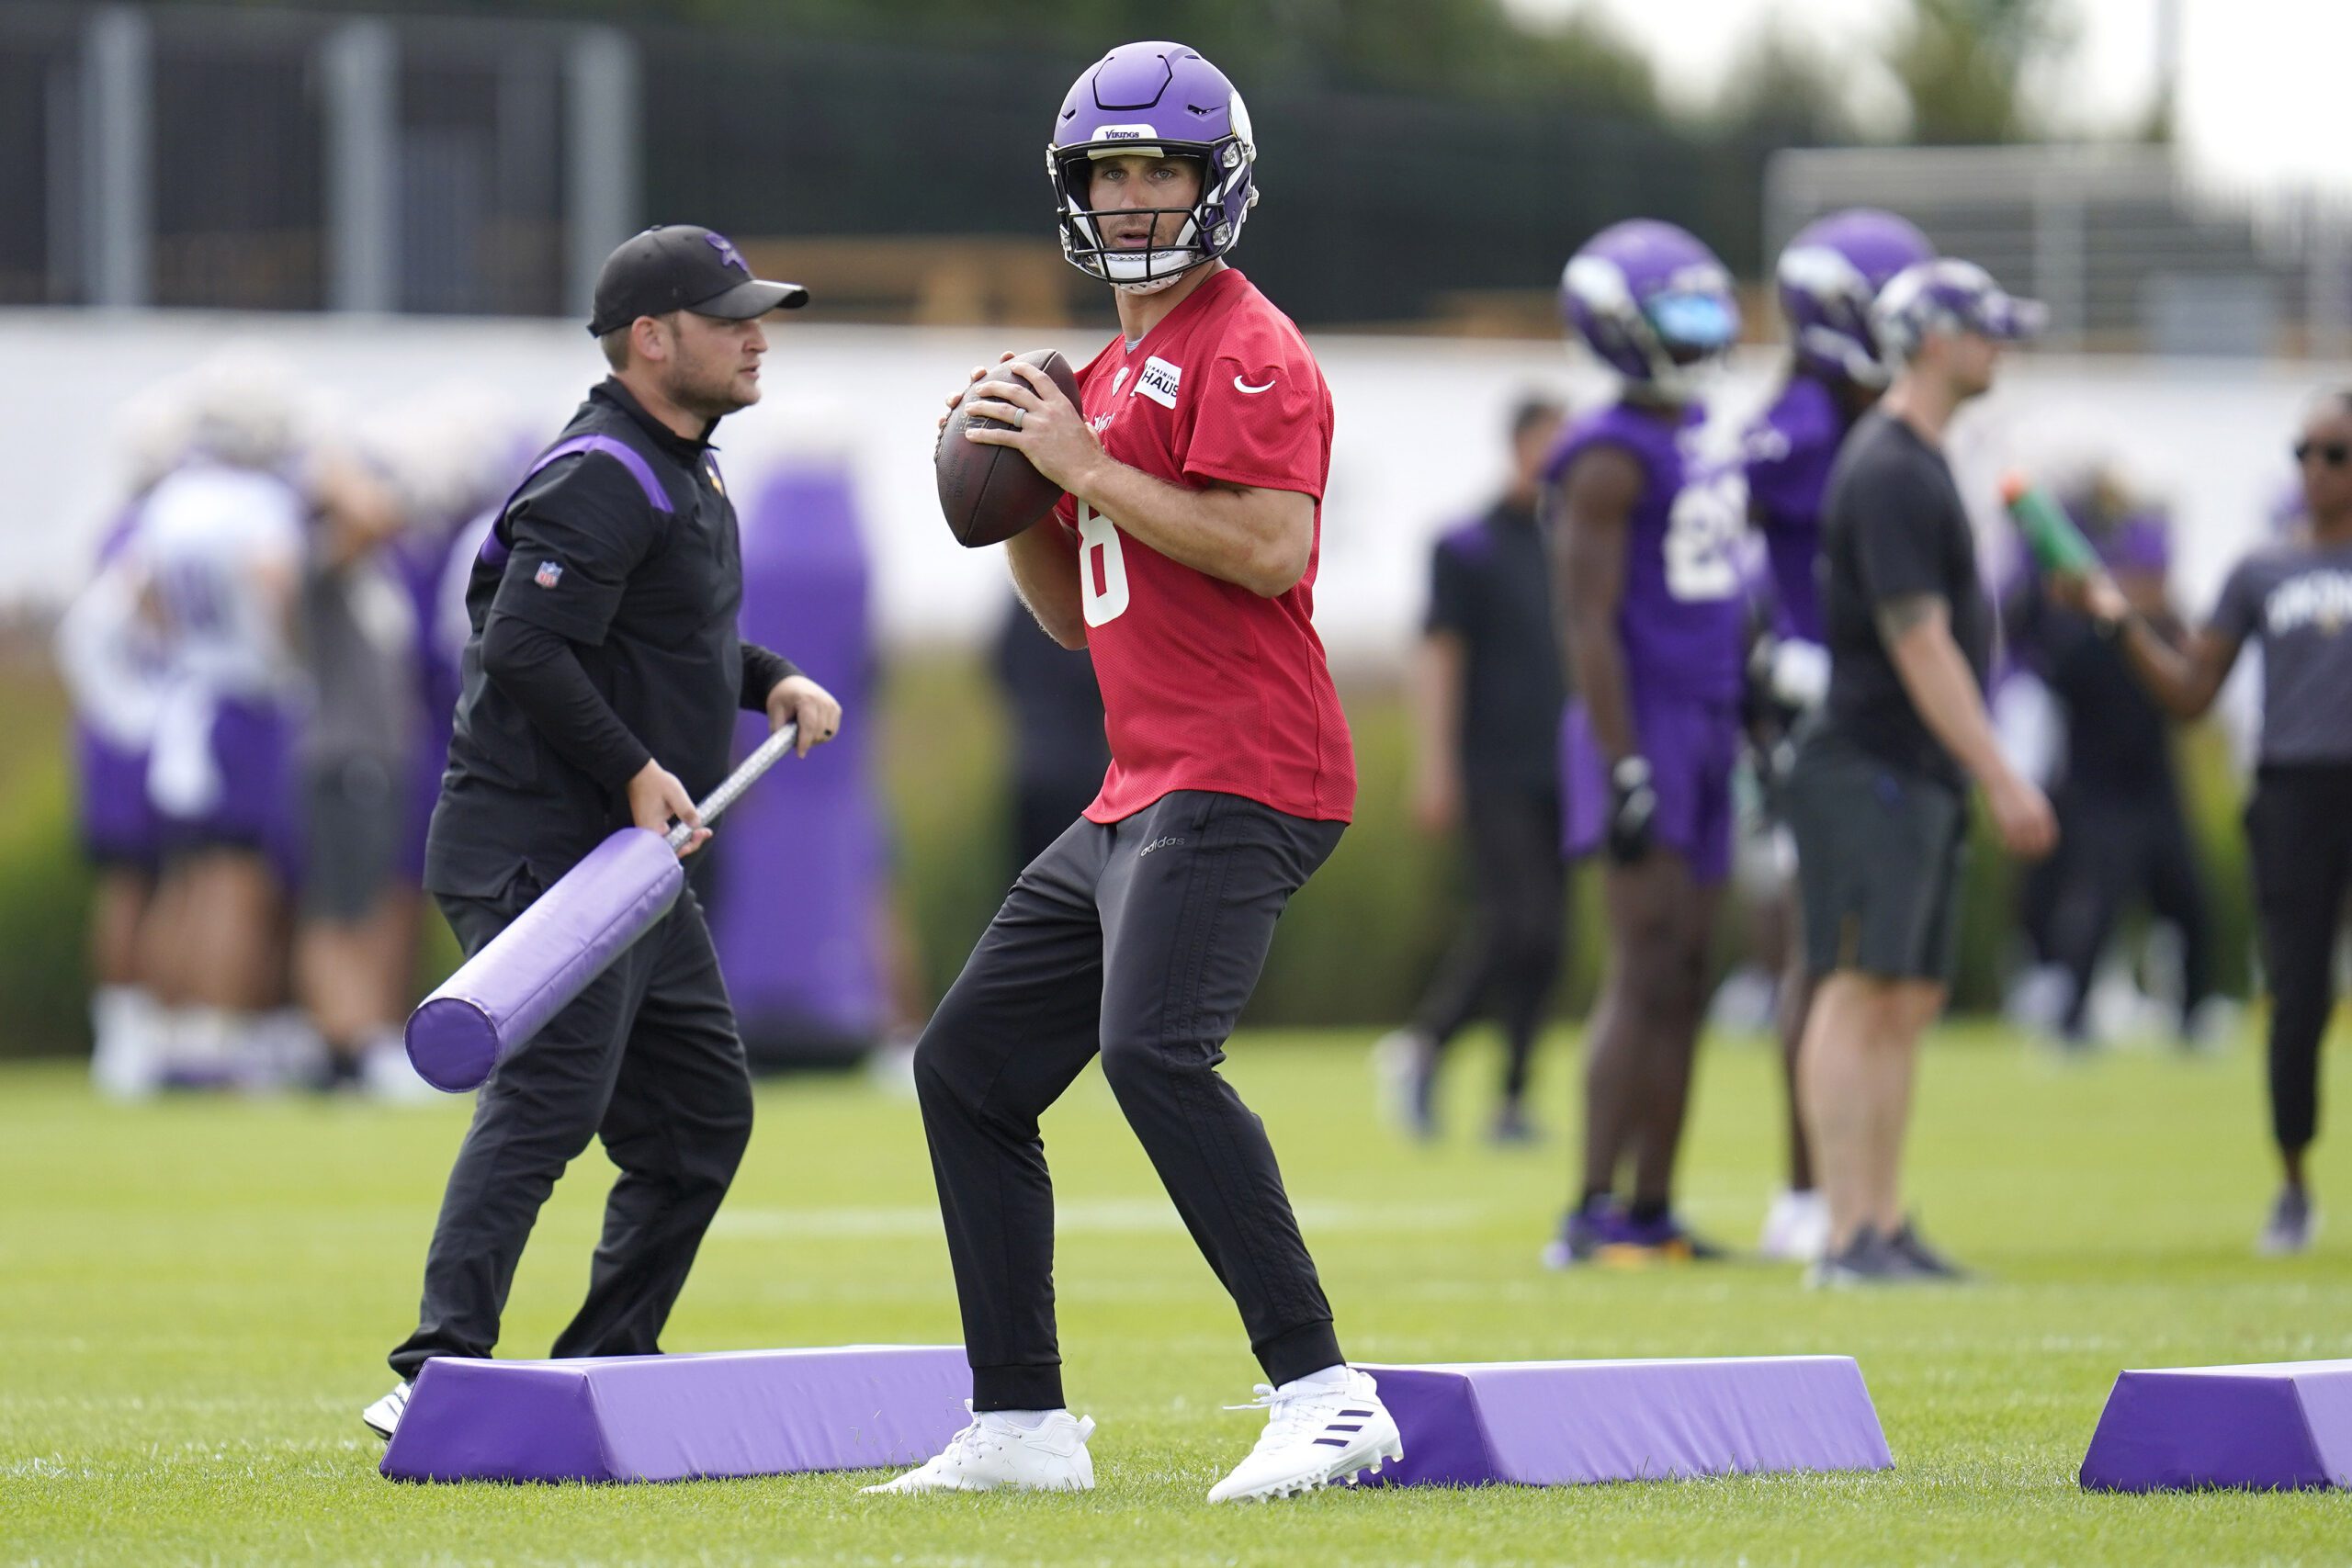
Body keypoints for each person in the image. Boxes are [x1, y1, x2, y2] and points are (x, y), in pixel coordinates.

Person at [868, 42, 1398, 1504]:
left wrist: (1084, 462)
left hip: (1250, 766)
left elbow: (1273, 549)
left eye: (1159, 165)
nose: (1134, 193)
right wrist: (1016, 488)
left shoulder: (1249, 344)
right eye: (1110, 168)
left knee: (1157, 1050)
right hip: (1141, 777)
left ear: (1214, 182)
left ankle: (1325, 1391)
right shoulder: (1095, 371)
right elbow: (1075, 611)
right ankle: (1024, 1422)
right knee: (967, 1070)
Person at [362, 225, 842, 1438]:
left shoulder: (688, 468)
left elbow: (669, 640)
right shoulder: (600, 471)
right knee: (551, 1096)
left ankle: (610, 1356)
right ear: (650, 338)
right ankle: (434, 1369)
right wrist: (636, 767)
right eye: (731, 316)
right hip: (536, 844)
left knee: (699, 1118)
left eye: (759, 314)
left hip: (622, 860)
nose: (755, 336)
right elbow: (521, 644)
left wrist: (770, 676)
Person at [1785, 259, 2056, 1286]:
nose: (1999, 348)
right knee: (1857, 990)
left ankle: (1883, 1223)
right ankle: (1845, 1234)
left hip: (1915, 771)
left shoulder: (1930, 456)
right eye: (1987, 330)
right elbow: (1918, 641)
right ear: (1937, 341)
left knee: (1905, 996)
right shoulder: (1892, 465)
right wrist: (2001, 772)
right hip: (1869, 766)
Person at [2064, 390, 2352, 1254]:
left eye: (2334, 454)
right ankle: (2295, 1186)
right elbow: (2192, 694)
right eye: (2303, 451)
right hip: (2295, 795)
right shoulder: (2261, 570)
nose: (2314, 469)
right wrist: (2124, 627)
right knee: (2297, 996)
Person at [1542, 220, 1747, 1269]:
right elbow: (1587, 623)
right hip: (1641, 724)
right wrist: (1624, 761)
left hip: (1708, 722)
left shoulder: (1697, 428)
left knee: (1690, 964)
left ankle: (1653, 1208)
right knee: (1640, 958)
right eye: (1682, 315)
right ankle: (1587, 1208)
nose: (1704, 334)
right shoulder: (1606, 456)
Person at [1743, 210, 1935, 1261]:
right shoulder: (1803, 429)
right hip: (1815, 706)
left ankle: (1852, 1193)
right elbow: (1732, 555)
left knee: (1866, 957)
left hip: (1862, 705)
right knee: (1824, 957)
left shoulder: (1864, 423)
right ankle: (1810, 1190)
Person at [1375, 395, 1568, 1144]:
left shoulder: (1568, 542)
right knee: (1517, 920)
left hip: (1560, 765)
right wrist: (1435, 766)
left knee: (1548, 937)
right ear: (1518, 445)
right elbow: (1439, 657)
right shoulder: (1468, 545)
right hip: (1490, 765)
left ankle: (1513, 1099)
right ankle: (1426, 1045)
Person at [2009, 493, 2216, 1049]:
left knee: (2191, 905)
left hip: (2156, 786)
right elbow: (2037, 648)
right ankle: (2071, 1022)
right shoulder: (2086, 633)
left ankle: (2194, 1017)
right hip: (2098, 790)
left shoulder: (2170, 630)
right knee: (2095, 910)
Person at [992, 598, 1110, 877]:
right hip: (1084, 775)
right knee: (1089, 890)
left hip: (1029, 770)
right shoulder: (1092, 598)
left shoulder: (1025, 601)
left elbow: (1000, 664)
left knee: (1029, 885)